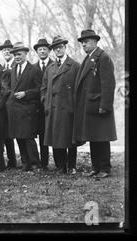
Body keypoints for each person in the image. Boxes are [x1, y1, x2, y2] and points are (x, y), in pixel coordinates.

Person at [73, 29, 117, 178]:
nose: (84, 45)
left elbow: (108, 84)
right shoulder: (88, 58)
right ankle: (96, 167)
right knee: (93, 138)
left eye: (86, 42)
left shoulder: (102, 57)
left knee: (102, 139)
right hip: (90, 106)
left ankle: (104, 168)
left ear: (95, 42)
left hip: (99, 106)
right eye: (82, 43)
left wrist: (104, 106)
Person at [40, 36, 80, 174]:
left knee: (70, 138)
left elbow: (79, 88)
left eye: (60, 47)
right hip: (52, 108)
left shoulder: (74, 65)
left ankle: (72, 165)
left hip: (68, 108)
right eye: (55, 48)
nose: (58, 50)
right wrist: (45, 101)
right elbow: (43, 88)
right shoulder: (50, 68)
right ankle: (60, 165)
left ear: (65, 47)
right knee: (56, 138)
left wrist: (73, 106)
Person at [6, 42, 42, 172]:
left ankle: (35, 164)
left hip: (27, 110)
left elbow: (39, 89)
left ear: (26, 54)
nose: (17, 57)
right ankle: (25, 164)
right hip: (15, 110)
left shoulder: (34, 70)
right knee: (19, 138)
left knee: (28, 138)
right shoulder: (14, 70)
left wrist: (26, 94)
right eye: (15, 55)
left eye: (19, 54)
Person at [33, 38, 54, 170]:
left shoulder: (54, 64)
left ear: (49, 50)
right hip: (38, 108)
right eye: (39, 49)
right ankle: (44, 162)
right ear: (36, 52)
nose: (42, 51)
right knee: (42, 135)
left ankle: (60, 162)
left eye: (44, 49)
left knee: (55, 132)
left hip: (51, 105)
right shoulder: (33, 67)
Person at [0, 40, 17, 168]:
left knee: (19, 134)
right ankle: (12, 160)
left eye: (9, 49)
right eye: (4, 50)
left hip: (15, 104)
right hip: (3, 106)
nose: (6, 52)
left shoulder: (17, 65)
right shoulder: (2, 67)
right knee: (7, 133)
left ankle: (28, 160)